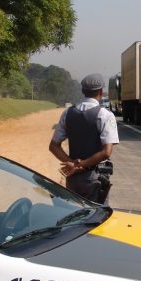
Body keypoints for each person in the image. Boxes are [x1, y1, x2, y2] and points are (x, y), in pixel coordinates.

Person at [49, 73, 119, 203]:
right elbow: (106, 152)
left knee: (74, 214)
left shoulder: (68, 113)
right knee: (96, 217)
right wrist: (82, 165)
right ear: (101, 91)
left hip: (72, 178)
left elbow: (53, 146)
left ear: (83, 91)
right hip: (95, 177)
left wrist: (72, 164)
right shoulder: (105, 115)